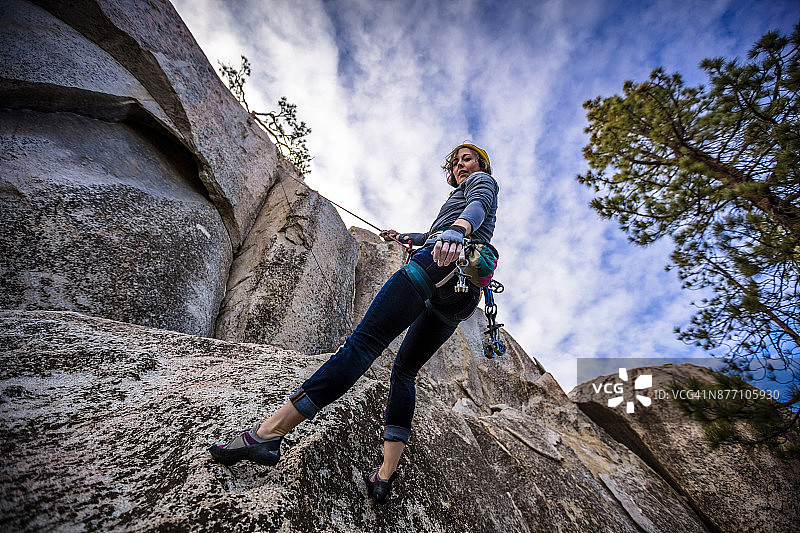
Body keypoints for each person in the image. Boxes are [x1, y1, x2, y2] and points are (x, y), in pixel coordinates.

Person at [209, 143, 499, 504]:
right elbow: (436, 234)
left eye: (466, 160)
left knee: (362, 345)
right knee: (405, 372)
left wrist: (459, 228)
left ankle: (268, 434)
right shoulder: (458, 197)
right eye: (455, 163)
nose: (460, 167)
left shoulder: (482, 182)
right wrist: (409, 237)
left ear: (481, 164)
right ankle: (384, 476)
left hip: (441, 266)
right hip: (463, 293)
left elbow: (478, 204)